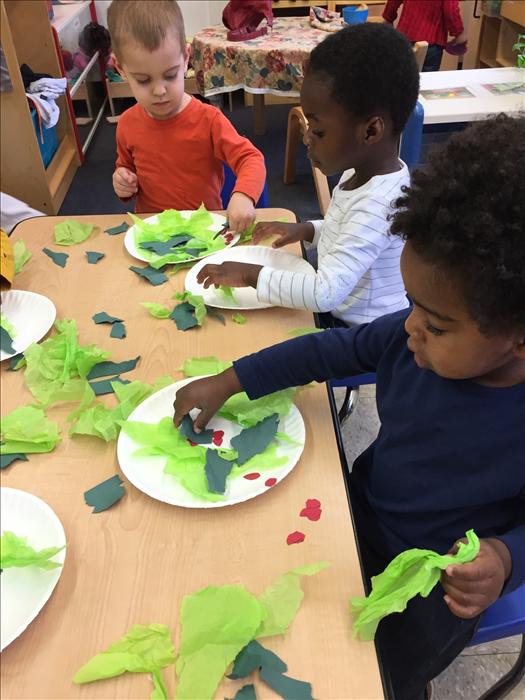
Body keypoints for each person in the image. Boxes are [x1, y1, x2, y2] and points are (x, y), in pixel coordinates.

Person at [173, 114, 525, 700]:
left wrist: (506, 557)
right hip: (366, 504)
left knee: (372, 675)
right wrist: (232, 379)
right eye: (412, 303)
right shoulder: (410, 334)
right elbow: (331, 349)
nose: (410, 327)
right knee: (278, 584)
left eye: (435, 324)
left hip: (436, 581)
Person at [196, 23, 419, 327]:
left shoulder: (378, 204)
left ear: (370, 130)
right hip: (341, 315)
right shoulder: (363, 175)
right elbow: (344, 230)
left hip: (363, 336)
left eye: (319, 130)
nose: (307, 138)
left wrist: (249, 274)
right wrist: (307, 231)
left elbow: (324, 293)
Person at [107, 0, 266, 233]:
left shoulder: (209, 120)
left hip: (205, 232)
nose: (159, 90)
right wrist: (122, 181)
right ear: (121, 70)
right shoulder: (127, 124)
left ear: (185, 58)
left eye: (170, 75)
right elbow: (126, 170)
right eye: (143, 80)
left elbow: (251, 158)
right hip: (154, 233)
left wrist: (243, 195)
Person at [383, 0, 467, 72]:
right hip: (430, 41)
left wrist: (388, 18)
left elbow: (393, 2)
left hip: (404, 36)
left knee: (401, 79)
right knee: (426, 83)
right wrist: (459, 33)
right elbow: (450, 11)